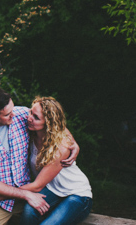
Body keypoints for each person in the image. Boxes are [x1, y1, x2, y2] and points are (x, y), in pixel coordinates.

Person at [0, 87, 80, 225]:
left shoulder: (21, 115)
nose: (13, 115)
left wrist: (73, 143)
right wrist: (26, 194)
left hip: (27, 189)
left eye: (12, 109)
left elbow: (53, 122)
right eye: (7, 114)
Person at [15, 96, 93, 225]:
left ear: (48, 123)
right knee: (28, 212)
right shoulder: (32, 133)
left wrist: (1, 194)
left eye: (36, 117)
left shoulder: (60, 146)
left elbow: (37, 186)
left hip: (77, 194)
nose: (29, 118)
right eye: (31, 112)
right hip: (52, 189)